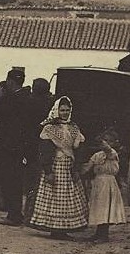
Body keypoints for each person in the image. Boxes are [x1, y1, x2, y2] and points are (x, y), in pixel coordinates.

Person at [27, 97, 88, 239]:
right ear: (56, 110)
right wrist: (48, 171)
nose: (65, 113)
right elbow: (45, 150)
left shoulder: (74, 128)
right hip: (55, 165)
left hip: (69, 166)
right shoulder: (49, 128)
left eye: (67, 110)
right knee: (54, 195)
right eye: (62, 110)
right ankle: (55, 228)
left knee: (67, 197)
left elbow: (79, 148)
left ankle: (63, 229)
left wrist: (76, 167)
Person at [0, 67, 31, 224]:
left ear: (10, 82)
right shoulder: (26, 97)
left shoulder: (11, 99)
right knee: (15, 180)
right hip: (19, 145)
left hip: (9, 146)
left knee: (10, 179)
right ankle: (14, 212)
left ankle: (13, 214)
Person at [83, 130, 126, 242]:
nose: (105, 143)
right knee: (98, 207)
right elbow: (88, 167)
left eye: (108, 141)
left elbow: (108, 150)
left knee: (105, 207)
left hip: (108, 182)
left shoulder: (112, 153)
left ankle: (104, 235)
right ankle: (98, 233)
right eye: (104, 140)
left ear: (113, 143)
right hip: (98, 182)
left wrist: (104, 143)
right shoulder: (97, 155)